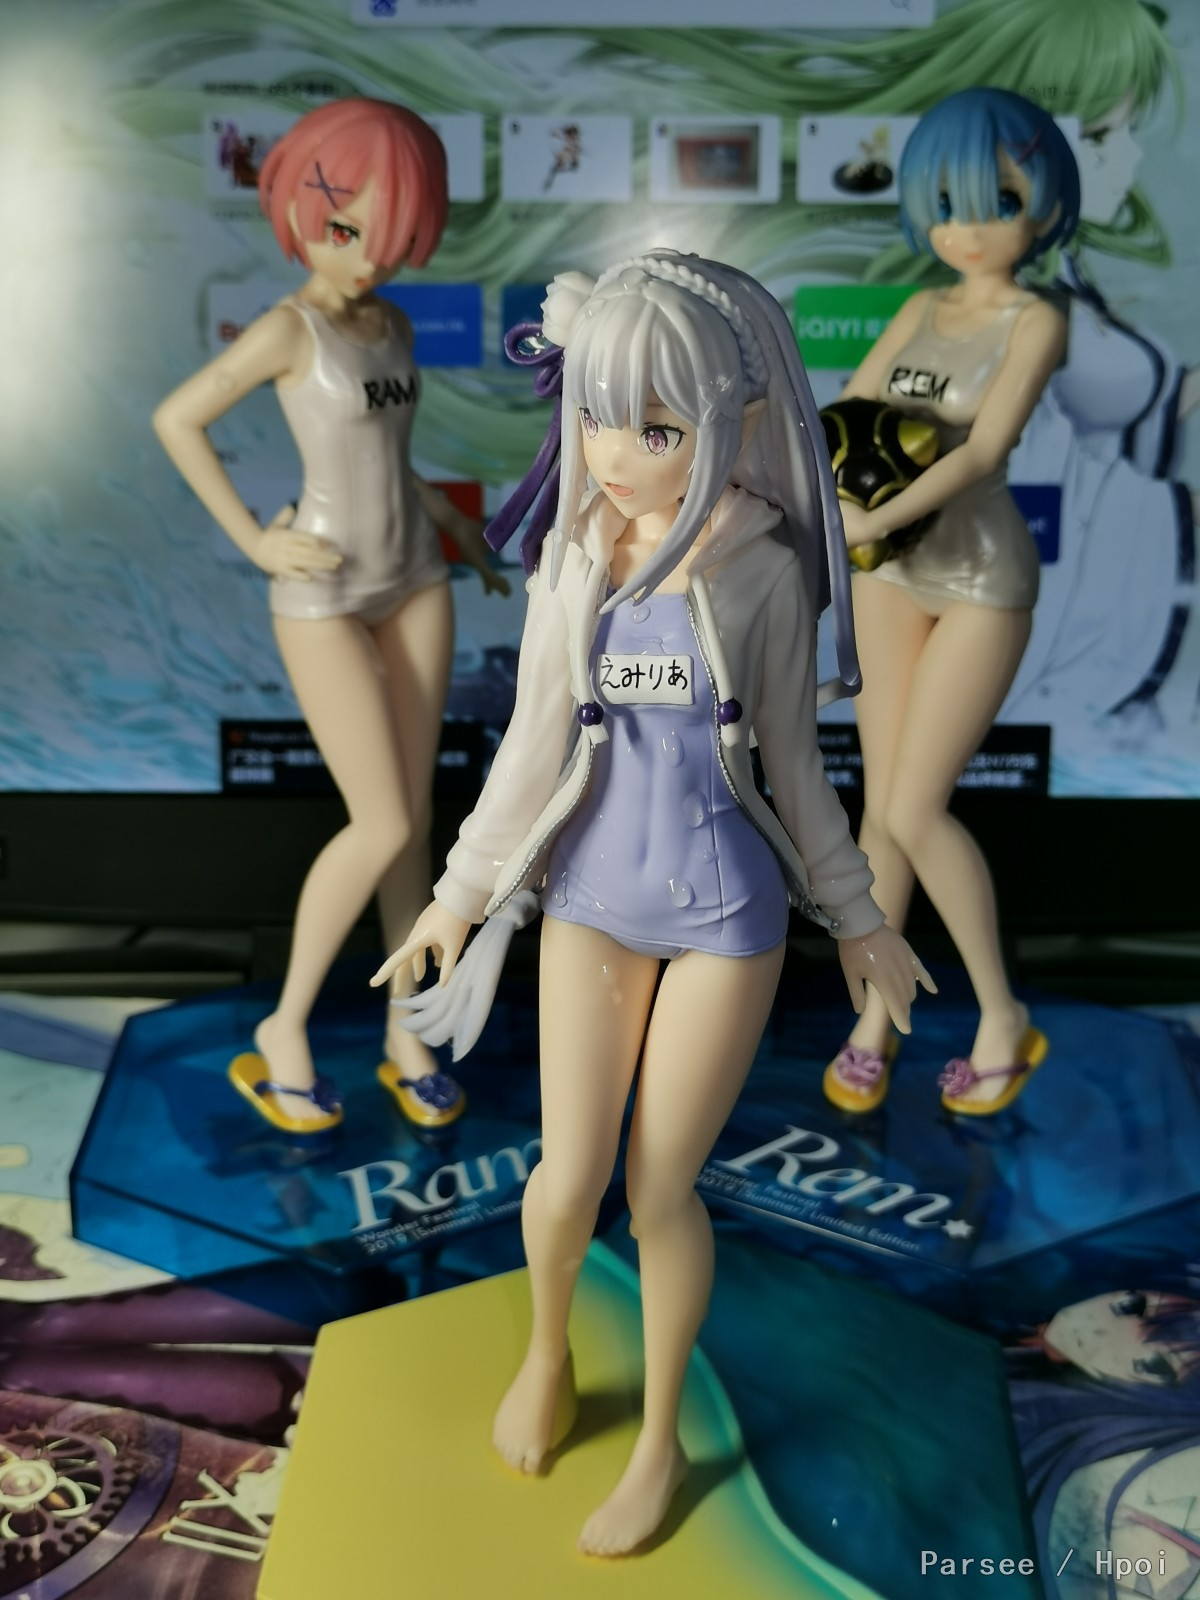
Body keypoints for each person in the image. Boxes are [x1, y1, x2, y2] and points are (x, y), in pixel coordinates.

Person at [374, 251, 932, 1555]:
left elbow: (796, 766)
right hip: (589, 901)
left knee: (660, 1189)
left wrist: (857, 917)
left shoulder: (764, 566)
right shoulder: (576, 556)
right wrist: (458, 897)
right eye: (598, 416)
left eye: (658, 429)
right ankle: (549, 1348)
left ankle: (664, 1433)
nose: (616, 456)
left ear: (732, 420)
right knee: (566, 1177)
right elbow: (530, 746)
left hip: (726, 919)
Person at [154, 99, 507, 1133]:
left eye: (390, 236)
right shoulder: (288, 328)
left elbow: (388, 456)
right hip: (322, 590)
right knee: (382, 819)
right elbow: (177, 418)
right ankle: (286, 1025)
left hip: (415, 578)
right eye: (347, 228)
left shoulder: (391, 324)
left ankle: (407, 1027)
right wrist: (255, 541)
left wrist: (456, 523)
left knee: (416, 825)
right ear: (302, 213)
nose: (367, 256)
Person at [820, 89, 1080, 1118]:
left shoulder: (1038, 319)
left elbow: (983, 451)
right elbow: (851, 413)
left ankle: (1002, 1016)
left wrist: (865, 520)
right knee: (880, 812)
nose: (967, 228)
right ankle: (876, 1018)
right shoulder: (920, 307)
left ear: (1042, 205)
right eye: (945, 203)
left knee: (916, 807)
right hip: (890, 574)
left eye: (997, 202)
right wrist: (836, 508)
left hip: (979, 579)